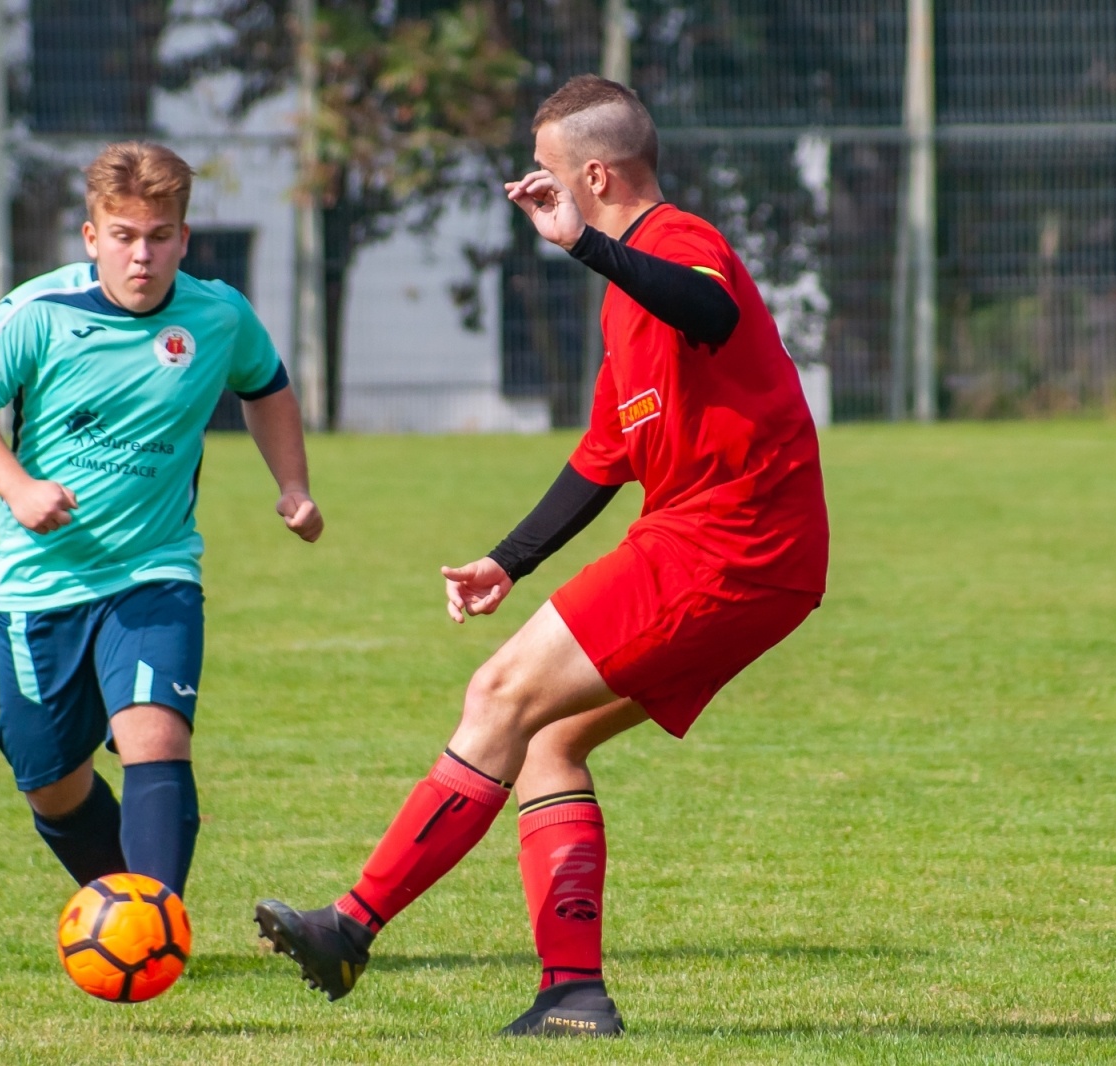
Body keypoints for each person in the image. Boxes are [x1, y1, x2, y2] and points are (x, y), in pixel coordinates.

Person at [255, 74, 829, 1036]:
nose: (535, 188)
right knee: (547, 740)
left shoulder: (677, 240)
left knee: (498, 694)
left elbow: (711, 311)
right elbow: (606, 455)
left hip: (725, 542)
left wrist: (585, 245)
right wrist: (506, 561)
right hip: (751, 556)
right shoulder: (624, 298)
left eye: (547, 172)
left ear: (594, 177)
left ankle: (350, 927)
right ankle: (572, 996)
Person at [0, 141, 322, 901]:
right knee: (49, 780)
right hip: (40, 584)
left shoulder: (218, 314)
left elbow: (266, 387)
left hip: (154, 570)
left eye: (158, 236)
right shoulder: (37, 313)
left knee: (156, 734)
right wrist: (18, 488)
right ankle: (125, 906)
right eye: (123, 236)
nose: (141, 255)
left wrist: (294, 486)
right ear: (92, 237)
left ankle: (156, 920)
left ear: (184, 237)